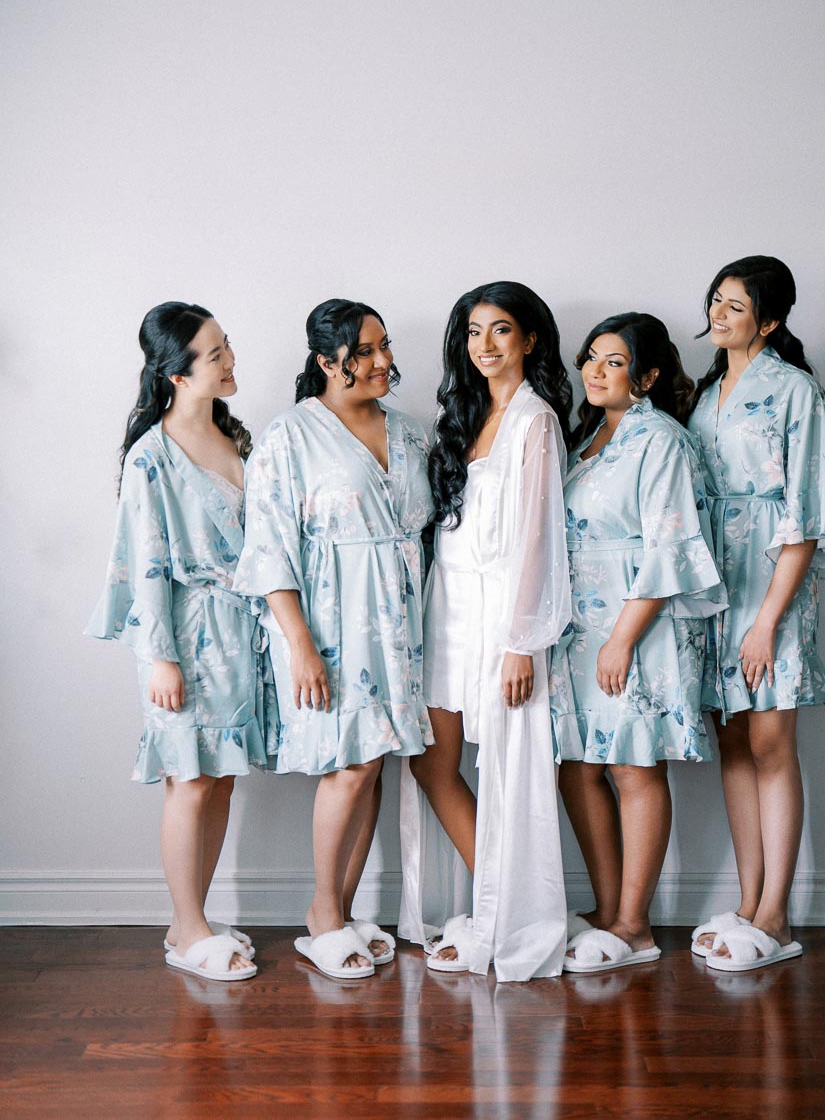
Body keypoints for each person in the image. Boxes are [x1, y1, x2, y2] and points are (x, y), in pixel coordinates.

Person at [233, 299, 434, 981]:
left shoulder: (407, 432)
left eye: (384, 345)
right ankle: (321, 914)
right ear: (326, 361)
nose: (383, 361)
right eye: (365, 351)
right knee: (347, 764)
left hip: (399, 622)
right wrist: (300, 644)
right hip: (331, 621)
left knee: (372, 762)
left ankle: (341, 913)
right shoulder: (289, 437)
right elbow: (269, 549)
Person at [87, 302, 273, 983]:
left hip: (239, 634)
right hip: (186, 635)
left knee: (219, 779)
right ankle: (188, 928)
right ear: (178, 373)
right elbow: (148, 566)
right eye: (216, 353)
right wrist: (159, 657)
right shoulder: (152, 458)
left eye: (227, 346)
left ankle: (191, 920)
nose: (230, 360)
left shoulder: (234, 438)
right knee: (188, 782)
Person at [399, 281, 573, 981]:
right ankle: (493, 905)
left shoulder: (537, 422)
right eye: (474, 332)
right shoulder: (465, 416)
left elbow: (538, 539)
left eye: (500, 329)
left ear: (529, 339)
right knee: (431, 762)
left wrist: (521, 643)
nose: (485, 345)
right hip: (449, 607)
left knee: (508, 771)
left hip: (505, 612)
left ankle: (511, 922)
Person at [549, 313, 727, 974]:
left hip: (637, 623)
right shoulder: (587, 436)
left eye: (614, 361)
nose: (595, 371)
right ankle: (608, 908)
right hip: (580, 625)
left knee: (633, 766)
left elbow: (670, 547)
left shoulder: (662, 441)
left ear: (647, 376)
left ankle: (635, 925)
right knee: (578, 766)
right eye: (591, 358)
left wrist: (622, 640)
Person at [687, 256, 825, 972]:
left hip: (771, 580)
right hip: (713, 581)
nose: (718, 315)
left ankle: (778, 916)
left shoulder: (795, 391)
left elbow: (807, 514)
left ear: (771, 320)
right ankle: (749, 900)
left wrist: (767, 622)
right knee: (732, 743)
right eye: (716, 301)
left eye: (736, 307)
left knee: (771, 743)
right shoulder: (706, 393)